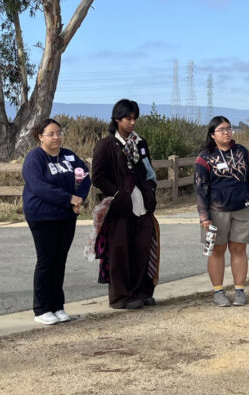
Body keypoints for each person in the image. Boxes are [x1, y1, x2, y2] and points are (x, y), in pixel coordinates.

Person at [90, 99, 160, 309]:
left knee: (143, 248)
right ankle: (121, 297)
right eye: (128, 118)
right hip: (120, 207)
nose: (132, 122)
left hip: (142, 204)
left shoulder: (140, 143)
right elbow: (98, 177)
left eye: (134, 118)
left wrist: (150, 190)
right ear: (117, 119)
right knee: (120, 252)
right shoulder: (106, 145)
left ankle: (142, 291)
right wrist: (118, 193)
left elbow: (148, 170)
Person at [22, 118, 91, 325]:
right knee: (46, 260)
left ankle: (57, 306)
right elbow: (39, 186)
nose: (56, 137)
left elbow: (84, 176)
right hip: (42, 216)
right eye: (51, 134)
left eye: (59, 133)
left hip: (66, 215)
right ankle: (42, 308)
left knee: (60, 260)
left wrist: (79, 198)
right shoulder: (35, 158)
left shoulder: (69, 156)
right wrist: (68, 198)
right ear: (40, 137)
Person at [195, 116, 249, 306]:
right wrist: (204, 216)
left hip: (243, 210)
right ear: (212, 135)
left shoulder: (242, 152)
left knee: (239, 248)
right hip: (216, 211)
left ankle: (239, 289)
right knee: (217, 250)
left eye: (229, 129)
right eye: (221, 130)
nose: (226, 132)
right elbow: (200, 189)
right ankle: (218, 291)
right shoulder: (205, 157)